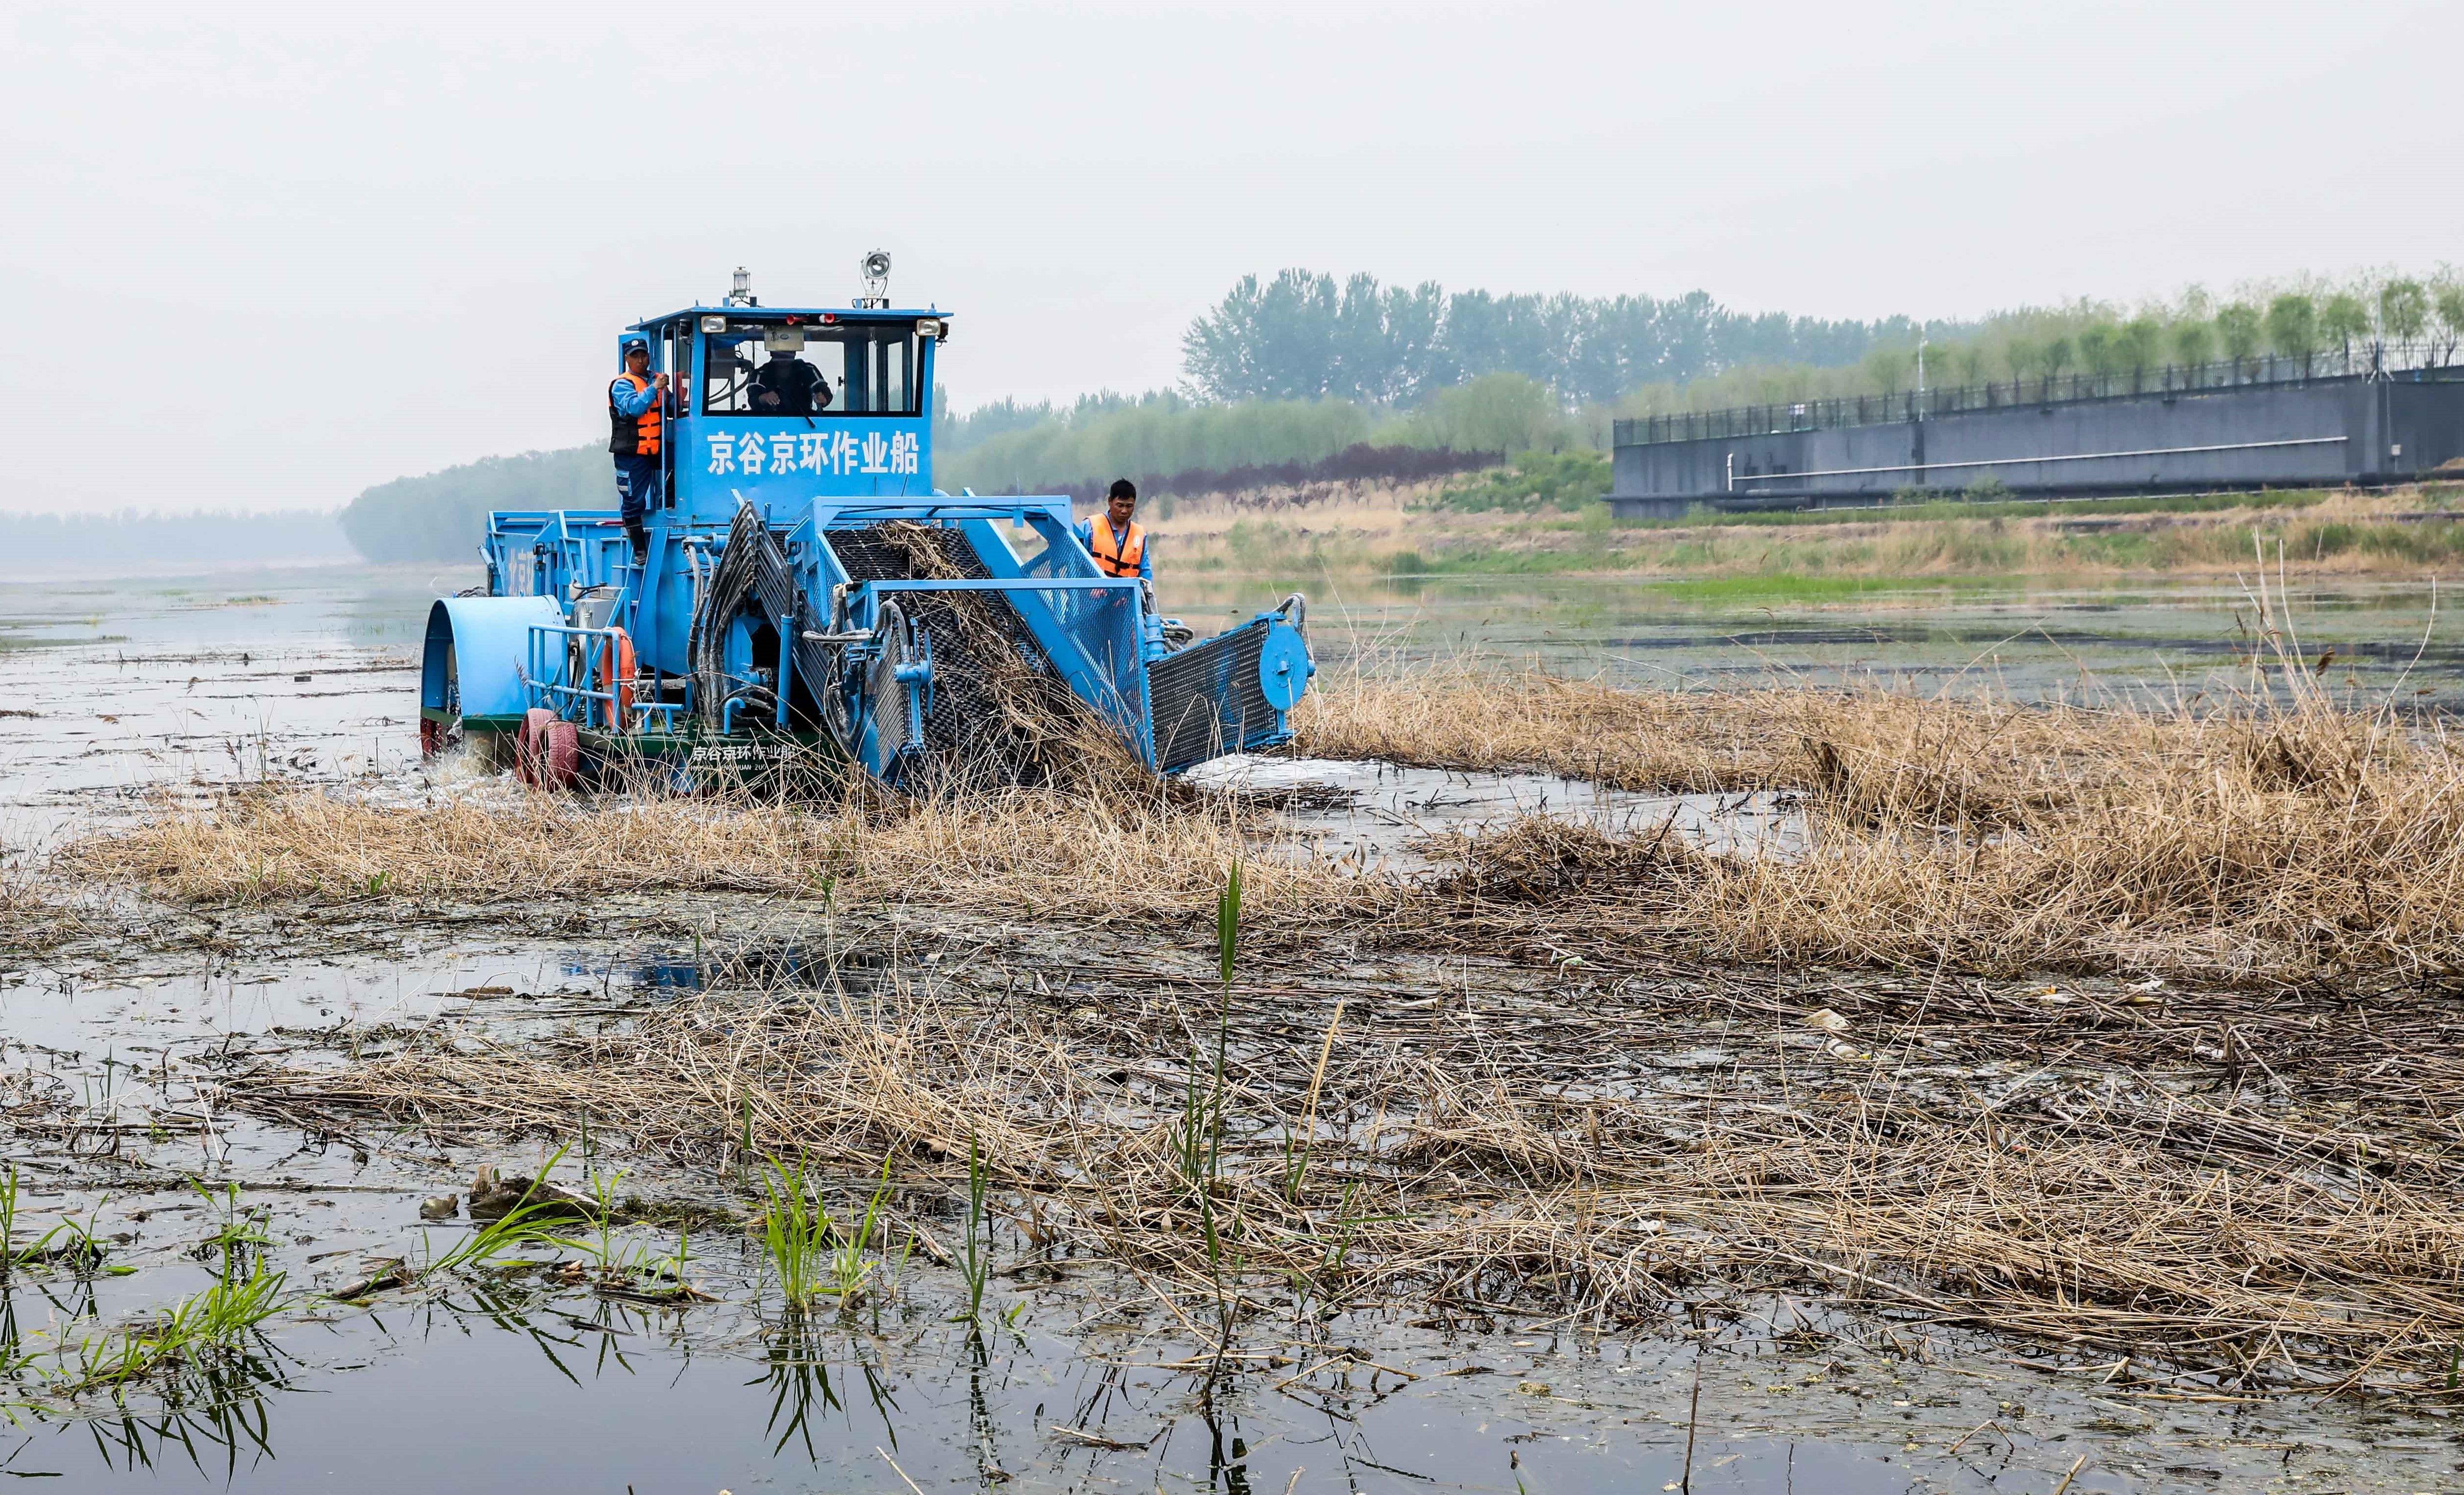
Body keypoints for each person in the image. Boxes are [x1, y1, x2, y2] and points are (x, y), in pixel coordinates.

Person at [607, 335, 669, 562]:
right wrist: (655, 388)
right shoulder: (622, 384)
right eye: (636, 357)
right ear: (627, 359)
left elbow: (670, 406)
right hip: (631, 452)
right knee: (633, 500)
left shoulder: (655, 380)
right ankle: (640, 549)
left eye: (644, 355)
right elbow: (634, 408)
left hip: (656, 448)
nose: (641, 361)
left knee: (675, 477)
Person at [1078, 478, 1151, 582]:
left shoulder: (1140, 535)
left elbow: (1145, 574)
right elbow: (1075, 563)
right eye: (1120, 505)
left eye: (1129, 506)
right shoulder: (1089, 527)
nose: (1124, 511)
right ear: (1110, 502)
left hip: (1127, 597)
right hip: (1092, 596)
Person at [751, 342, 832, 416]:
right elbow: (752, 399)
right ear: (772, 353)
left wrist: (823, 398)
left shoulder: (808, 370)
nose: (785, 355)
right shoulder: (760, 374)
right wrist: (764, 397)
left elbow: (825, 392)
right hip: (769, 422)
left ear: (795, 352)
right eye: (780, 351)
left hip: (805, 422)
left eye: (789, 351)